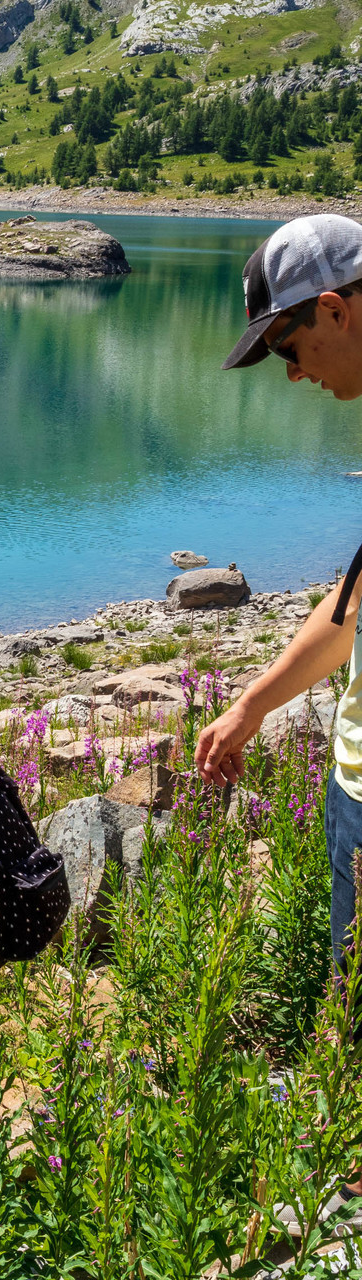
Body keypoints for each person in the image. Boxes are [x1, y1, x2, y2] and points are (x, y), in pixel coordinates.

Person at [196, 216, 362, 961]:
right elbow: (353, 607)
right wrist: (250, 705)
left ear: (334, 309)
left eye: (288, 350)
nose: (293, 375)